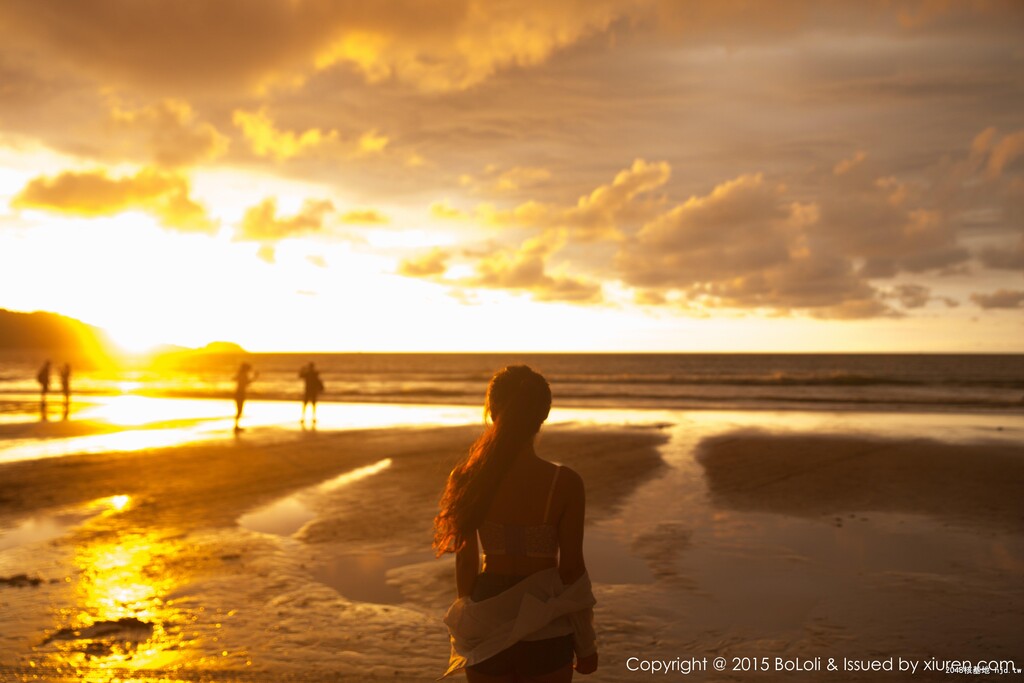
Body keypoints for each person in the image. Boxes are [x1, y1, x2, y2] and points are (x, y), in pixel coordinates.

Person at [434, 365, 598, 681]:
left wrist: (471, 626)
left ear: (493, 412)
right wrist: (586, 644)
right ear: (544, 415)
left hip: (486, 613)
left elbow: (464, 567)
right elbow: (572, 568)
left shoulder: (469, 477)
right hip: (545, 617)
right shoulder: (564, 483)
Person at [233, 362, 257, 432]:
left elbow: (235, 379)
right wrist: (255, 377)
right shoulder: (244, 375)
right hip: (241, 393)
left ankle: (236, 426)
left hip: (238, 393)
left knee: (239, 410)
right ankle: (236, 426)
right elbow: (247, 383)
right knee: (239, 410)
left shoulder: (240, 374)